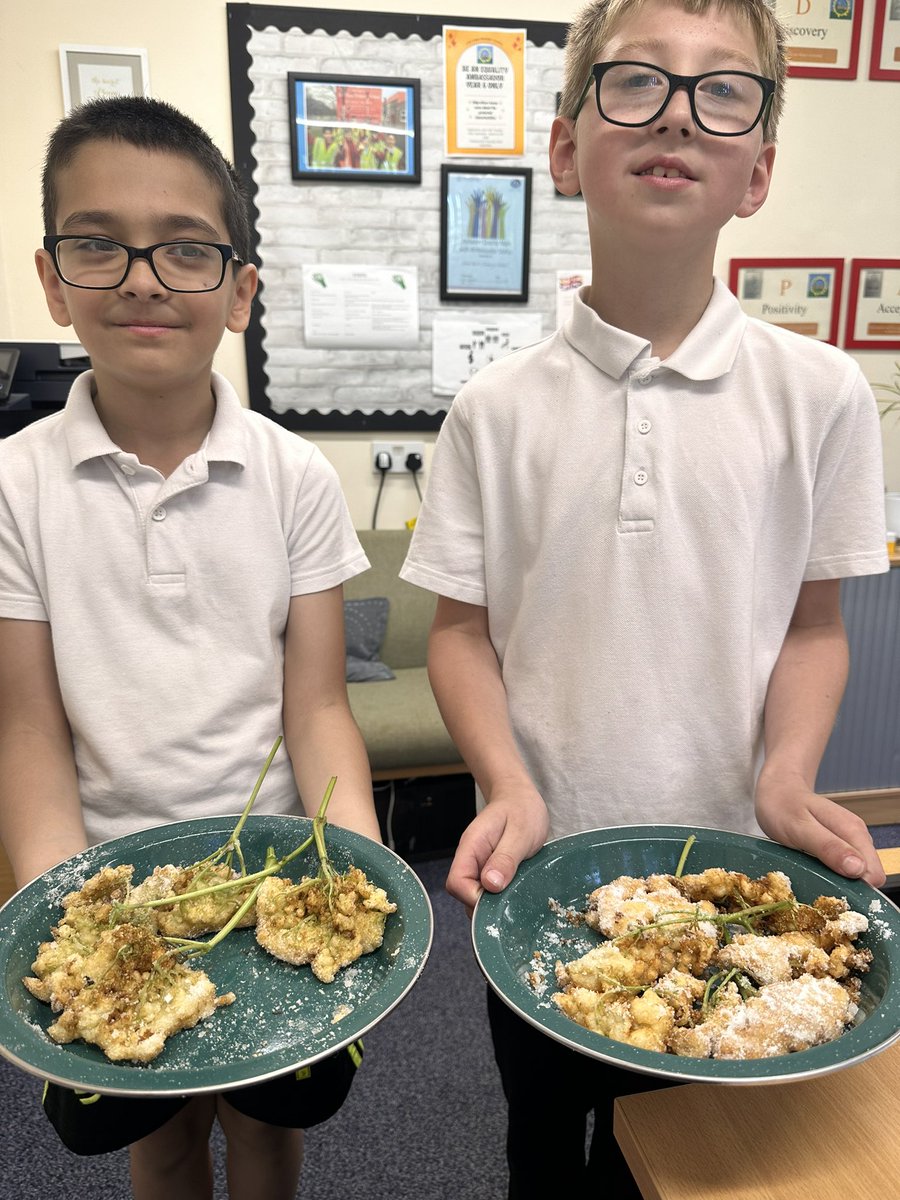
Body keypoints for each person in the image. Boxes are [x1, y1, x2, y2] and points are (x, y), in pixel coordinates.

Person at [400, 0, 888, 1195]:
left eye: (721, 91)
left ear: (757, 170)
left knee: (698, 1154)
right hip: (544, 876)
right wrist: (507, 782)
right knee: (546, 1145)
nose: (676, 111)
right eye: (635, 83)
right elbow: (459, 635)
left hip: (738, 871)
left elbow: (814, 627)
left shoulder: (822, 394)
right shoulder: (495, 410)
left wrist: (786, 773)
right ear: (566, 147)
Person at [0, 96, 381, 1200]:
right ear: (52, 277)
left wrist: (359, 871)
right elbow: (28, 726)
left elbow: (316, 710)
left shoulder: (297, 476)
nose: (141, 276)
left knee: (271, 1120)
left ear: (239, 289)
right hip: (107, 880)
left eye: (184, 248)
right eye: (97, 244)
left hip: (273, 880)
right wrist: (72, 909)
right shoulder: (17, 485)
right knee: (158, 1137)